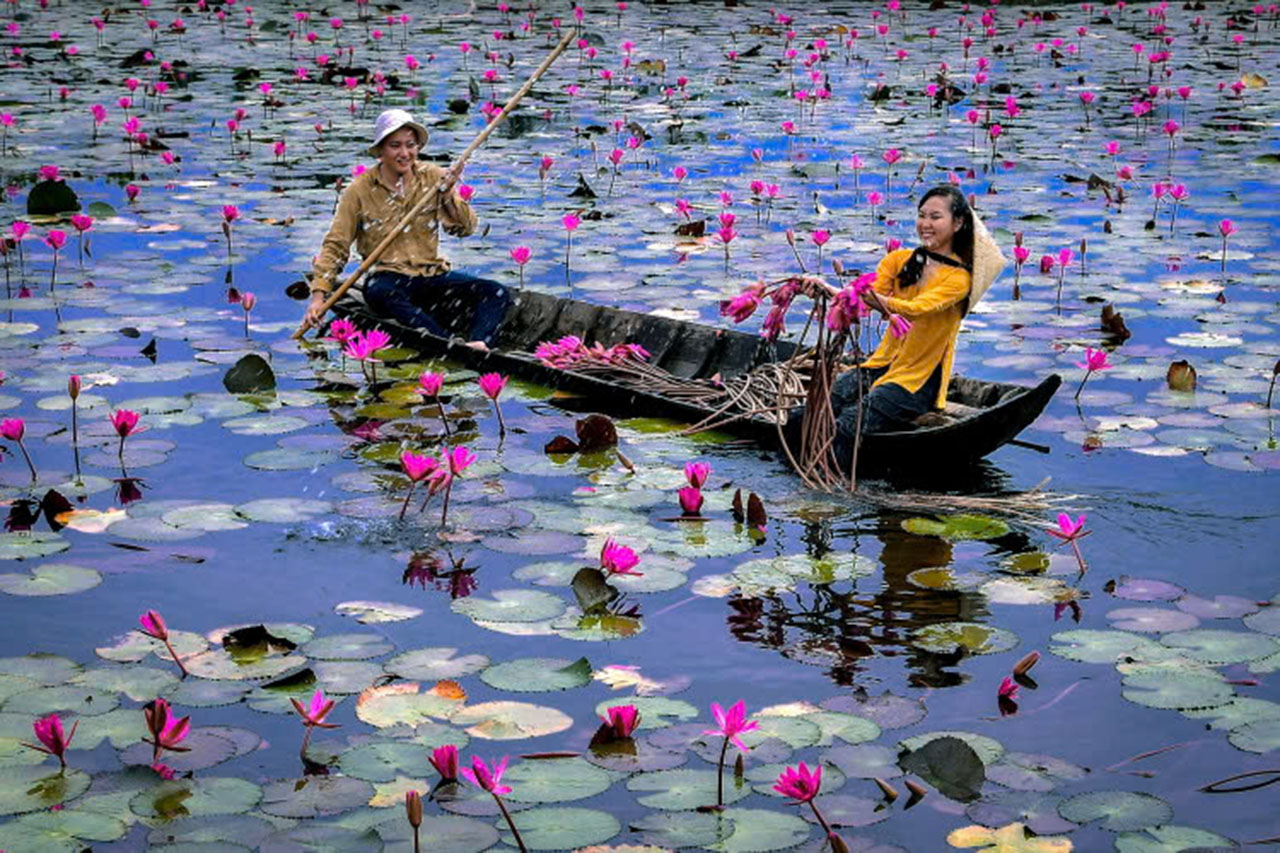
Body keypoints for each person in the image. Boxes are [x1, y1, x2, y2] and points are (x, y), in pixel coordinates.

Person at [794, 185, 1005, 465]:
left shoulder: (959, 280)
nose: (926, 224)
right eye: (921, 215)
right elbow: (864, 302)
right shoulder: (899, 260)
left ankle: (825, 483)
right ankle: (798, 465)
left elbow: (914, 310)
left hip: (917, 382)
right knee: (815, 408)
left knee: (849, 422)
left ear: (958, 223)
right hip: (880, 365)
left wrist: (863, 294)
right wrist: (825, 288)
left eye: (935, 217)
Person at [303, 109, 510, 349]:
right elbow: (336, 245)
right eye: (395, 146)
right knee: (380, 293)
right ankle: (449, 344)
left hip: (431, 276)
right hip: (389, 279)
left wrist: (448, 194)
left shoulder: (433, 178)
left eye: (410, 145)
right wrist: (318, 297)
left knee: (495, 292)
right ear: (381, 150)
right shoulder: (359, 190)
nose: (404, 153)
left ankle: (481, 344)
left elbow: (465, 228)